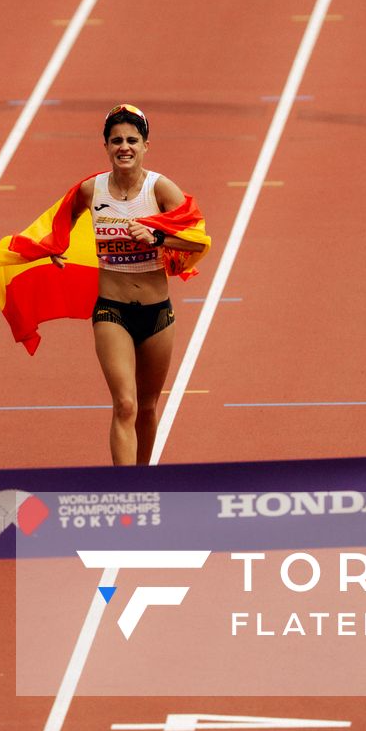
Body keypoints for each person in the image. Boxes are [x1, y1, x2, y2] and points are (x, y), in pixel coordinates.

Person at [70, 105, 207, 465]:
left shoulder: (160, 188)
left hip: (158, 314)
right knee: (126, 404)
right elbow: (56, 224)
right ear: (106, 146)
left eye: (132, 139)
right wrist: (55, 249)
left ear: (146, 145)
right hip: (111, 310)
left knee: (147, 407)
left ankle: (144, 485)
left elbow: (198, 241)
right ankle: (123, 493)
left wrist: (157, 237)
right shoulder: (91, 190)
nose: (124, 147)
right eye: (116, 140)